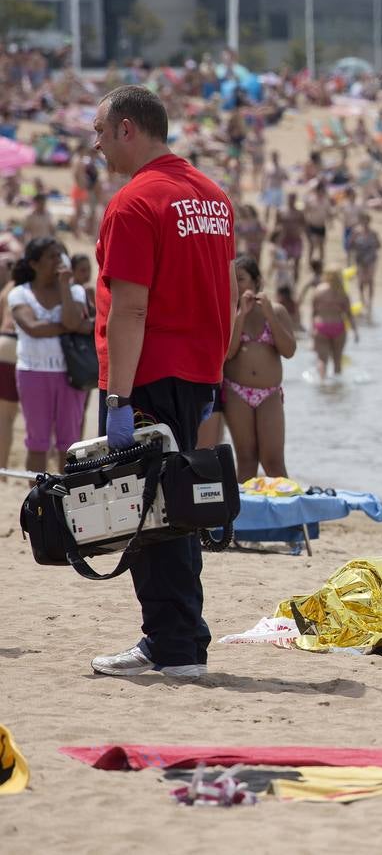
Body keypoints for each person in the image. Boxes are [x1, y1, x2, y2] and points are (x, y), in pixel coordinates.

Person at [89, 85, 236, 680]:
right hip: (197, 370)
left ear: (128, 128)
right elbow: (222, 294)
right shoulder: (213, 196)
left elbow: (129, 310)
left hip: (146, 372)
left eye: (100, 131)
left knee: (148, 511)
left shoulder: (134, 202)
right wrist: (215, 375)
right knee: (174, 506)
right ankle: (179, 637)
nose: (95, 145)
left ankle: (172, 644)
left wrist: (119, 401)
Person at [7, 237, 89, 473]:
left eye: (60, 255)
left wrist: (65, 286)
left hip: (71, 374)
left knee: (69, 443)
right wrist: (71, 327)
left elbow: (71, 320)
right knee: (37, 443)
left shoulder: (74, 290)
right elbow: (33, 328)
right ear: (34, 263)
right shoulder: (20, 293)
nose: (58, 261)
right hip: (33, 372)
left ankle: (67, 498)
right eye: (51, 256)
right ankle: (39, 500)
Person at [222, 256, 296, 480]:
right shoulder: (229, 314)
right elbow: (228, 353)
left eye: (241, 279)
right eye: (232, 280)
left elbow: (289, 351)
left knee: (273, 462)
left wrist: (271, 317)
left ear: (256, 282)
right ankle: (243, 514)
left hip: (270, 394)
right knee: (246, 459)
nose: (237, 285)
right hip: (237, 392)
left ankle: (286, 513)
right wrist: (240, 315)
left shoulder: (277, 311)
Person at [310, 268, 358, 379]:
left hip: (321, 326)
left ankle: (322, 384)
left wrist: (312, 330)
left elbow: (313, 312)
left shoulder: (319, 290)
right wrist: (355, 331)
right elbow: (349, 314)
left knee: (322, 360)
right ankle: (337, 389)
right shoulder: (342, 292)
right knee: (337, 361)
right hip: (338, 327)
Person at [0, 255, 19, 473]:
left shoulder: (6, 290)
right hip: (21, 348)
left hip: (3, 343)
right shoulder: (36, 289)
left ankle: (3, 469)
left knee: (4, 417)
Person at [348, 212, 381, 320]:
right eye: (364, 221)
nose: (365, 223)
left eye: (367, 221)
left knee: (370, 280)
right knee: (361, 281)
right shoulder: (356, 232)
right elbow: (350, 245)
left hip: (371, 259)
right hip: (360, 259)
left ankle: (370, 302)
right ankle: (362, 299)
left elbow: (379, 245)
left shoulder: (373, 233)